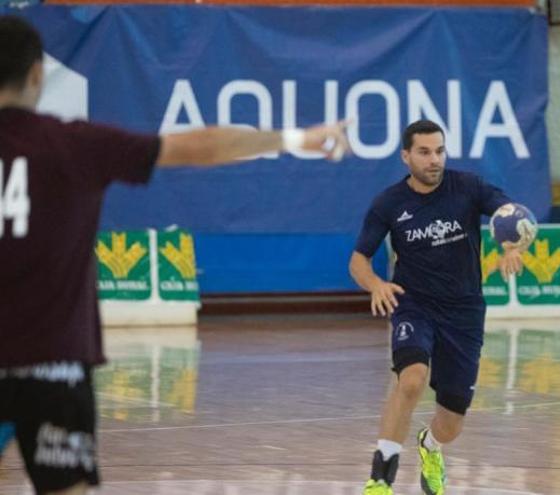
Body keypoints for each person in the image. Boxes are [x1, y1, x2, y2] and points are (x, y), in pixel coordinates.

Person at [0, 15, 349, 495]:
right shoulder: (75, 144)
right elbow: (197, 144)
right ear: (38, 74)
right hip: (54, 365)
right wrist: (296, 139)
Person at [350, 119, 524, 495]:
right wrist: (377, 284)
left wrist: (512, 244)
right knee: (410, 380)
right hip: (414, 304)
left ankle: (430, 445)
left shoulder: (468, 187)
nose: (434, 160)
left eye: (440, 151)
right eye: (425, 152)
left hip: (464, 312)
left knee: (451, 424)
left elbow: (510, 213)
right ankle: (380, 479)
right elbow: (358, 260)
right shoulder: (389, 203)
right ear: (406, 156)